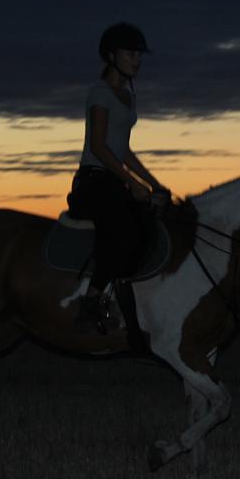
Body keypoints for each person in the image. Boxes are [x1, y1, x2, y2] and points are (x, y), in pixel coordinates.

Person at [67, 22, 169, 332]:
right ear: (111, 56)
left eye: (139, 54)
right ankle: (90, 302)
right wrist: (131, 183)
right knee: (122, 231)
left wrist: (153, 183)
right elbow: (98, 147)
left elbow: (123, 150)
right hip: (95, 180)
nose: (137, 59)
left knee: (150, 224)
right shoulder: (100, 93)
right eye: (130, 53)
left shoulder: (127, 96)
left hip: (114, 175)